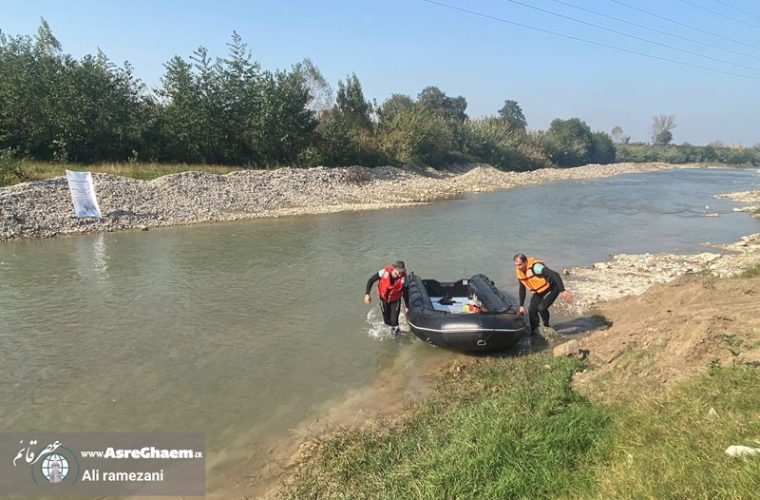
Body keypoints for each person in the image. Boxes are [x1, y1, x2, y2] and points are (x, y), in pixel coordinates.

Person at [513, 253, 572, 336]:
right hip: (540, 290)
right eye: (516, 265)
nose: (518, 267)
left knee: (541, 308)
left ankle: (546, 325)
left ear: (526, 262)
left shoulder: (536, 268)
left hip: (552, 287)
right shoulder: (520, 272)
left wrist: (563, 290)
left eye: (520, 265)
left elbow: (555, 275)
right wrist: (521, 305)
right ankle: (535, 332)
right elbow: (522, 288)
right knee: (531, 310)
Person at [364, 261, 408, 337]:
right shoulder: (384, 272)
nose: (400, 274)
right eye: (399, 272)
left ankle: (396, 338)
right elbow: (371, 280)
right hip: (384, 300)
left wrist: (407, 306)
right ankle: (389, 335)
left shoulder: (404, 277)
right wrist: (367, 294)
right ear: (394, 268)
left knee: (394, 321)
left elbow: (405, 292)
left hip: (395, 300)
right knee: (387, 321)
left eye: (402, 271)